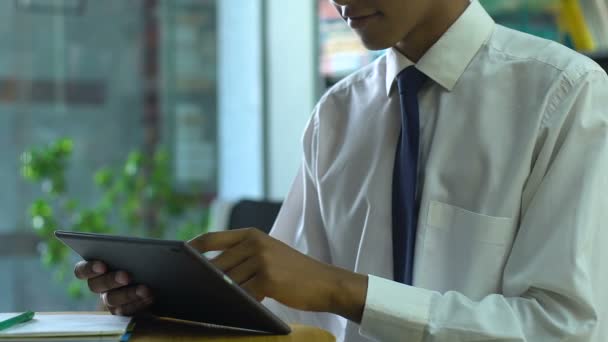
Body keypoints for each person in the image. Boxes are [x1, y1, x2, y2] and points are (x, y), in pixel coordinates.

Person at [73, 0, 608, 340]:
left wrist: (346, 291)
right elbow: (291, 316)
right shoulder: (339, 112)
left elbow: (565, 330)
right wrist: (168, 307)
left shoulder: (565, 96)